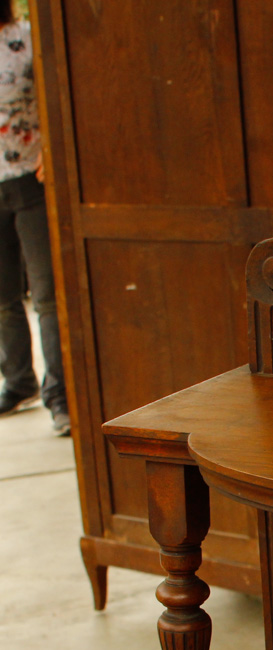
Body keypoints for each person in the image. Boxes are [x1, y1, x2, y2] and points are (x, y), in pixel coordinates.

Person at [0, 1, 68, 436]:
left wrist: (52, 147)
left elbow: (56, 93)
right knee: (4, 297)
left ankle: (59, 396)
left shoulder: (26, 39)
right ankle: (18, 380)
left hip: (30, 180)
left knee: (45, 295)